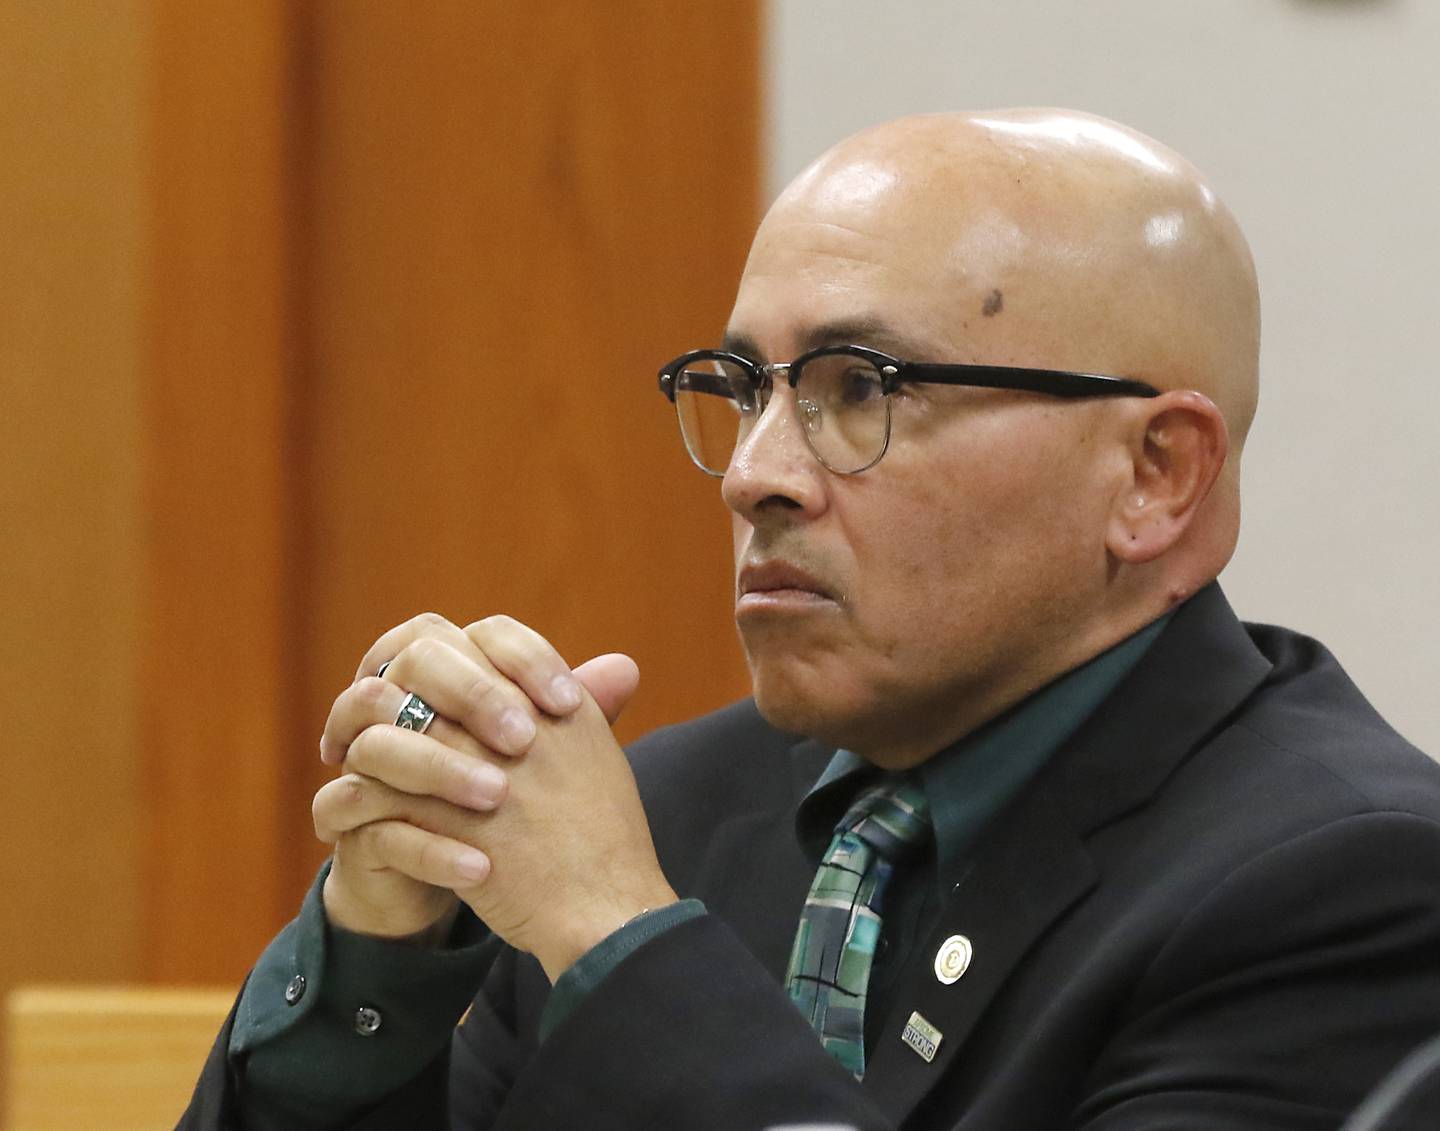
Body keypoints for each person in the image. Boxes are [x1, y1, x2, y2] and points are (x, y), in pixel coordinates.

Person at [182, 110, 1440, 1130]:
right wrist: (375, 964)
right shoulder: (672, 808)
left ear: (1154, 473)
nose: (754, 473)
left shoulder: (1353, 884)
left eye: (861, 388)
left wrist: (619, 937)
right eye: (743, 390)